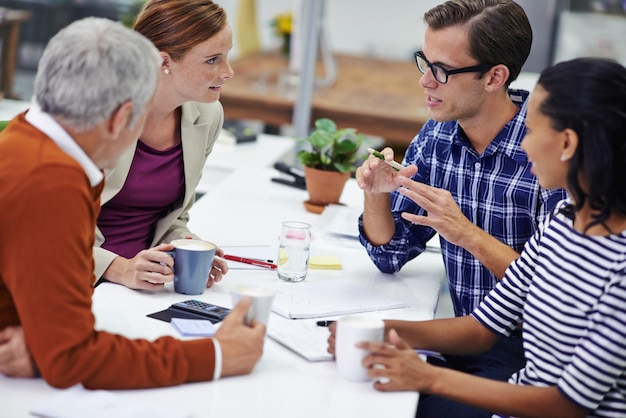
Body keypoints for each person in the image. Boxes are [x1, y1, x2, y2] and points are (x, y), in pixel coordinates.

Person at [330, 57, 626, 418]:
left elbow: (566, 405)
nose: (524, 145)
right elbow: (482, 326)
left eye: (531, 132)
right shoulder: (564, 223)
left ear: (567, 142)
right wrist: (373, 330)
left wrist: (427, 378)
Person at [0, 17, 264, 389]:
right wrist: (218, 355)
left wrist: (44, 344)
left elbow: (58, 333)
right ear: (123, 118)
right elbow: (72, 358)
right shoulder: (51, 183)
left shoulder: (29, 138)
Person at [356, 1, 567, 416]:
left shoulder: (548, 150)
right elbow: (390, 253)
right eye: (424, 62)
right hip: (463, 335)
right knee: (357, 383)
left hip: (532, 354)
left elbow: (553, 292)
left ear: (495, 76)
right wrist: (376, 194)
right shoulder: (438, 135)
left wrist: (464, 231)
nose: (425, 82)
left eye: (443, 71)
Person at [95, 0, 234, 291]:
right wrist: (119, 268)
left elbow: (174, 215)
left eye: (226, 57)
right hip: (75, 277)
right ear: (164, 62)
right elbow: (46, 225)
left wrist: (187, 247)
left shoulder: (207, 116)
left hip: (146, 283)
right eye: (213, 60)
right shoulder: (93, 114)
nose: (228, 71)